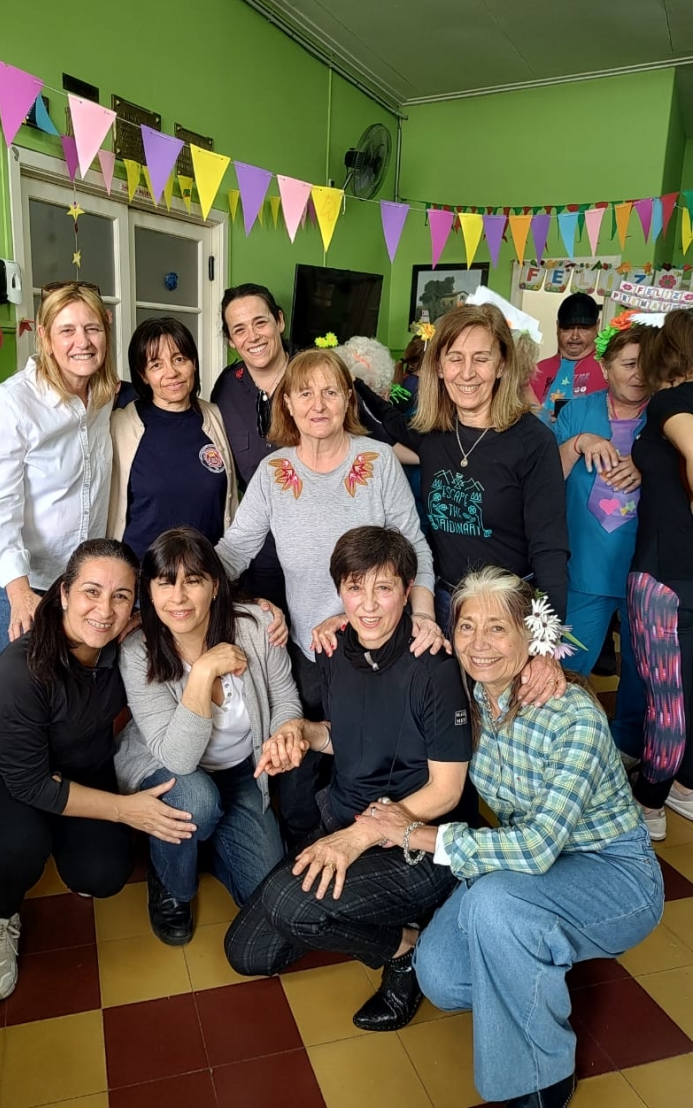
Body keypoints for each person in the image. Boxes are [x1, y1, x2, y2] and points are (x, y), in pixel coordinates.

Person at [389, 567, 663, 1108]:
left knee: (495, 904)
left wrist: (416, 834)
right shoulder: (469, 694)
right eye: (467, 627)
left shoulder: (573, 715)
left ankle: (539, 1080)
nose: (478, 644)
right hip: (525, 869)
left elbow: (537, 847)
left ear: (529, 638)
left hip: (613, 872)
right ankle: (533, 962)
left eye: (498, 628)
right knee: (440, 976)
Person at [224, 526, 472, 1034]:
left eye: (384, 588)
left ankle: (406, 950)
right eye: (355, 588)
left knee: (289, 906)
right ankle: (385, 926)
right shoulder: (333, 647)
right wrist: (300, 732)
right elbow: (345, 736)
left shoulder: (435, 666)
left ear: (407, 590)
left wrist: (358, 837)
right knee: (247, 952)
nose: (369, 606)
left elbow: (447, 791)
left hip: (414, 842)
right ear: (340, 589)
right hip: (347, 817)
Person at [0, 538, 196, 1001]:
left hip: (81, 771)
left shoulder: (123, 648)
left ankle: (59, 843)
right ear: (63, 593)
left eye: (121, 596)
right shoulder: (18, 673)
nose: (105, 609)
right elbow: (31, 782)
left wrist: (263, 611)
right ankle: (2, 916)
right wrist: (124, 810)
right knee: (19, 845)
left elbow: (193, 612)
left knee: (103, 873)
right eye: (91, 592)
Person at [215, 348, 439, 840]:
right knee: (297, 782)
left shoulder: (377, 460)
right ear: (287, 405)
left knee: (368, 773)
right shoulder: (274, 473)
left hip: (379, 647)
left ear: (348, 399)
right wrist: (185, 583)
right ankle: (305, 879)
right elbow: (235, 550)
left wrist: (422, 614)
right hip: (308, 652)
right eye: (305, 393)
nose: (318, 404)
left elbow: (413, 545)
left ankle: (370, 864)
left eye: (331, 391)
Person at [115, 527, 299, 945]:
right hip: (167, 769)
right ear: (150, 590)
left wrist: (287, 730)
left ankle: (201, 841)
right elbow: (177, 759)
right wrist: (202, 672)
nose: (178, 597)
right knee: (196, 800)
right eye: (165, 583)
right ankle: (171, 883)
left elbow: (286, 698)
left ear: (215, 586)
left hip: (240, 773)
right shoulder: (138, 650)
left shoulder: (255, 627)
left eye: (192, 581)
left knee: (266, 903)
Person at [353, 303, 569, 648]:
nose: (466, 373)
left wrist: (546, 643)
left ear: (501, 365)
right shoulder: (433, 432)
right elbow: (389, 420)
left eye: (481, 358)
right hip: (444, 604)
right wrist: (352, 383)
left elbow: (551, 551)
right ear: (438, 367)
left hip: (506, 612)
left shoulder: (533, 442)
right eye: (455, 358)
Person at [0, 283, 119, 659]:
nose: (81, 342)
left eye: (92, 329)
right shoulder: (14, 404)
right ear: (45, 337)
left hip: (77, 573)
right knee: (24, 687)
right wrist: (19, 593)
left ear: (106, 331)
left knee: (74, 680)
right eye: (67, 330)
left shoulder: (102, 395)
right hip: (19, 573)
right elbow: (0, 506)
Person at [553, 318, 652, 764]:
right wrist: (576, 443)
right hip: (585, 565)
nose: (639, 374)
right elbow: (547, 479)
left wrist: (648, 469)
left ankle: (626, 751)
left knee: (642, 670)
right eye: (629, 364)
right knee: (566, 666)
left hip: (645, 566)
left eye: (647, 364)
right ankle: (556, 745)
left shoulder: (668, 415)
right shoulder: (577, 410)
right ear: (606, 367)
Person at [627, 308, 693, 840]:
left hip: (666, 577)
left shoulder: (673, 401)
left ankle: (650, 798)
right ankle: (683, 782)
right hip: (676, 573)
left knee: (668, 695)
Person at [107, 316, 237, 559]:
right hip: (139, 578)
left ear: (194, 363)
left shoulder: (217, 417)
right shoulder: (120, 425)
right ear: (143, 374)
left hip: (205, 577)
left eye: (180, 359)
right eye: (156, 365)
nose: (172, 372)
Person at [211, 284, 290, 607]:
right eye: (239, 330)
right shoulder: (227, 388)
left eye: (260, 323)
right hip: (262, 552)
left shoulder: (316, 372)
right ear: (231, 340)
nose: (252, 337)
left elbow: (371, 431)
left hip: (323, 546)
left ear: (279, 322)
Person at [531, 291, 606, 418]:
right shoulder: (538, 370)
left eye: (584, 328)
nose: (575, 336)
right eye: (568, 328)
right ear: (557, 327)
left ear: (597, 326)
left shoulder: (608, 369)